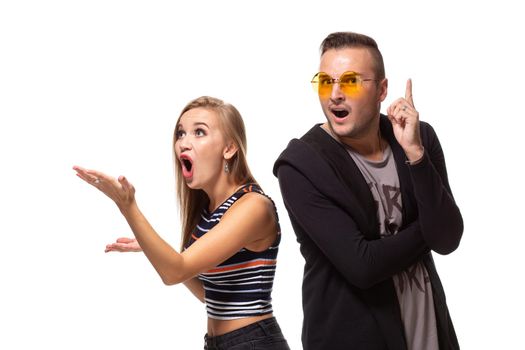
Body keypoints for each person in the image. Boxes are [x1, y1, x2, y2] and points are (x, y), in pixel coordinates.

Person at [273, 32, 463, 350]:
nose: (334, 95)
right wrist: (429, 227)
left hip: (430, 336)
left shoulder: (420, 138)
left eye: (349, 82)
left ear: (382, 90)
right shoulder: (301, 166)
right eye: (324, 81)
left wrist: (416, 156)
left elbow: (448, 239)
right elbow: (363, 266)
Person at [74, 96, 289, 350]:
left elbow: (175, 271)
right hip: (219, 343)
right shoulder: (210, 211)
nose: (184, 143)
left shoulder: (253, 206)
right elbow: (208, 295)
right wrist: (152, 249)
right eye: (180, 133)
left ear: (229, 148)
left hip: (254, 342)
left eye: (199, 132)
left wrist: (128, 206)